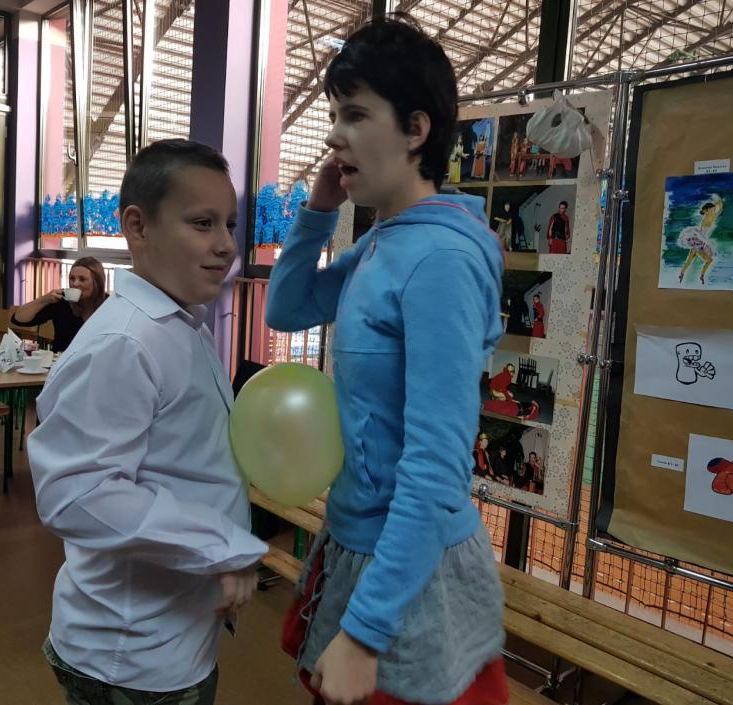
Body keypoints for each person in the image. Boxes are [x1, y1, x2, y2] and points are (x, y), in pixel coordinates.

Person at [266, 16, 507, 705]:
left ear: (416, 130)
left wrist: (367, 632)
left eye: (355, 114)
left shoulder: (441, 260)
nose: (334, 134)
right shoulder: (383, 242)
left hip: (408, 572)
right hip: (356, 543)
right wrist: (318, 212)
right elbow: (288, 307)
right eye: (333, 114)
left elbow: (437, 463)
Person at [28, 140, 268, 705]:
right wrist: (222, 545)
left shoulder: (182, 326)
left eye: (230, 224)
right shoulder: (125, 341)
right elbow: (76, 493)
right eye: (202, 223)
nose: (226, 245)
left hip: (174, 636)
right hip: (131, 658)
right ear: (137, 226)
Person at [11, 256, 108, 353]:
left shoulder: (109, 305)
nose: (75, 284)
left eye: (82, 279)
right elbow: (18, 319)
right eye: (72, 278)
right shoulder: (62, 301)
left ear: (97, 283)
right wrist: (44, 299)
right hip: (61, 360)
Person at [678, 195, 723, 284]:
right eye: (711, 210)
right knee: (709, 260)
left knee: (690, 260)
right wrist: (719, 201)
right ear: (707, 210)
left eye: (713, 210)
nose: (713, 211)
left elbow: (719, 210)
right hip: (699, 242)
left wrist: (718, 202)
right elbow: (719, 211)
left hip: (698, 241)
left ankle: (682, 273)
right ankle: (701, 275)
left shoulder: (709, 217)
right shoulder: (708, 218)